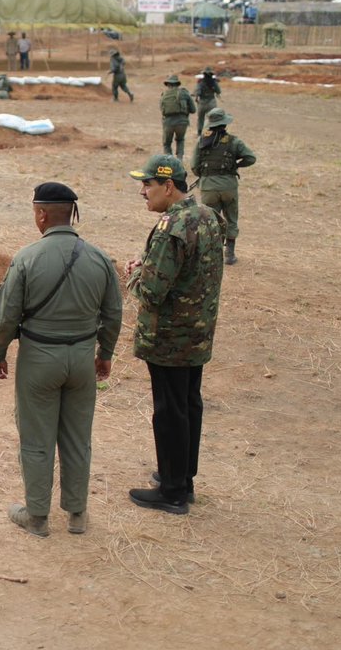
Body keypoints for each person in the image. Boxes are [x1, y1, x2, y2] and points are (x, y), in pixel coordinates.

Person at [0, 183, 122, 538]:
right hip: (81, 358)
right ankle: (77, 515)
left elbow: (5, 316)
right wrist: (104, 354)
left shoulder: (27, 258)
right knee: (78, 438)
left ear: (43, 214)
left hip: (38, 359)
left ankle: (37, 518)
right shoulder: (99, 258)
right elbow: (113, 314)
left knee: (36, 439)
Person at [125, 155, 224, 515]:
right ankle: (183, 478)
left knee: (169, 412)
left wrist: (135, 274)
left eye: (147, 184)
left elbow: (151, 292)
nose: (142, 191)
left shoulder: (172, 226)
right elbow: (193, 270)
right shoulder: (208, 217)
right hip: (197, 333)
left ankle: (171, 492)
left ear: (168, 186)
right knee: (188, 405)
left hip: (169, 337)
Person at [193, 108, 256, 265]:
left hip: (208, 187)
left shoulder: (201, 141)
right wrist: (236, 165)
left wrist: (205, 175)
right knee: (231, 218)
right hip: (229, 186)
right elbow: (251, 158)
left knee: (210, 221)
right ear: (225, 124)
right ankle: (229, 254)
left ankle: (211, 253)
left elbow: (194, 166)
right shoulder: (234, 142)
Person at [159, 75, 196, 158]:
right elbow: (193, 110)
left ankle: (169, 161)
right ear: (178, 84)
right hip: (182, 122)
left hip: (168, 122)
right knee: (180, 140)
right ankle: (179, 159)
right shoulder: (184, 93)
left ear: (167, 84)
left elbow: (162, 109)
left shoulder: (163, 95)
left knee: (167, 144)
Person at [194, 67, 222, 137]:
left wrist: (196, 98)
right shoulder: (214, 82)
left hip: (202, 102)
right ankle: (212, 132)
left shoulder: (200, 82)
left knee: (200, 119)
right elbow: (218, 91)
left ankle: (199, 133)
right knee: (213, 118)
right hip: (211, 102)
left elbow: (197, 92)